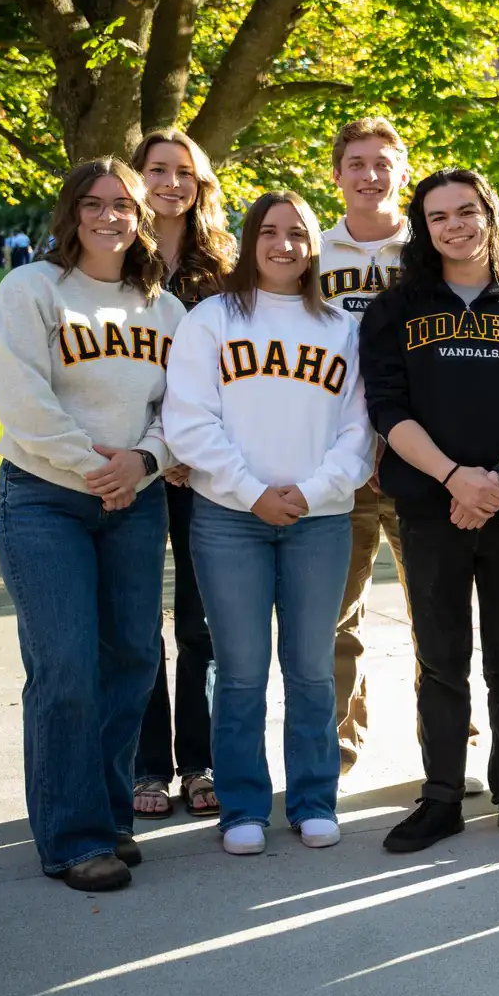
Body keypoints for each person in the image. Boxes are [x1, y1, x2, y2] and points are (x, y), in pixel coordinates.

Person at [0, 159, 185, 892]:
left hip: (135, 498)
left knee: (133, 657)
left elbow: (184, 408)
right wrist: (94, 467)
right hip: (44, 499)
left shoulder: (164, 307)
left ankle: (108, 814)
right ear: (70, 213)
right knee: (66, 665)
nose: (110, 217)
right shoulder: (30, 290)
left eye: (123, 206)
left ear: (140, 218)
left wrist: (145, 460)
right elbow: (23, 399)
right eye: (94, 204)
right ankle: (73, 837)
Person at [361, 168, 499, 853]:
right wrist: (456, 479)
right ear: (423, 229)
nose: (454, 225)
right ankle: (442, 797)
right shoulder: (394, 310)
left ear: (489, 216)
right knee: (443, 660)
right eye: (438, 216)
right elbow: (388, 410)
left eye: (466, 211)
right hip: (430, 509)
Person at [163, 191, 371, 855]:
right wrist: (253, 492)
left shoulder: (341, 327)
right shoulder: (211, 320)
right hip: (229, 519)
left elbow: (360, 431)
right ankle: (243, 804)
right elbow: (189, 420)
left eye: (298, 234)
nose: (284, 245)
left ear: (314, 247)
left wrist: (309, 493)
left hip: (318, 518)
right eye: (271, 232)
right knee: (241, 667)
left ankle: (313, 798)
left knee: (311, 667)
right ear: (250, 239)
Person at [129, 128, 234, 821]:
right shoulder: (110, 265)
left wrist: (193, 449)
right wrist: (155, 450)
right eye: (157, 170)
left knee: (203, 626)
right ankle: (146, 768)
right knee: (139, 624)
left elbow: (238, 370)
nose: (171, 183)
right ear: (135, 178)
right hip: (134, 465)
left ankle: (200, 764)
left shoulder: (224, 269)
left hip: (205, 469)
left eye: (184, 172)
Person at [320, 117, 426, 778]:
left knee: (438, 616)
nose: (370, 175)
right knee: (336, 620)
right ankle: (335, 749)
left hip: (424, 461)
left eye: (383, 162)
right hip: (338, 461)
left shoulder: (431, 250)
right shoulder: (310, 253)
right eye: (356, 163)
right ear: (337, 174)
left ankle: (450, 746)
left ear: (403, 172)